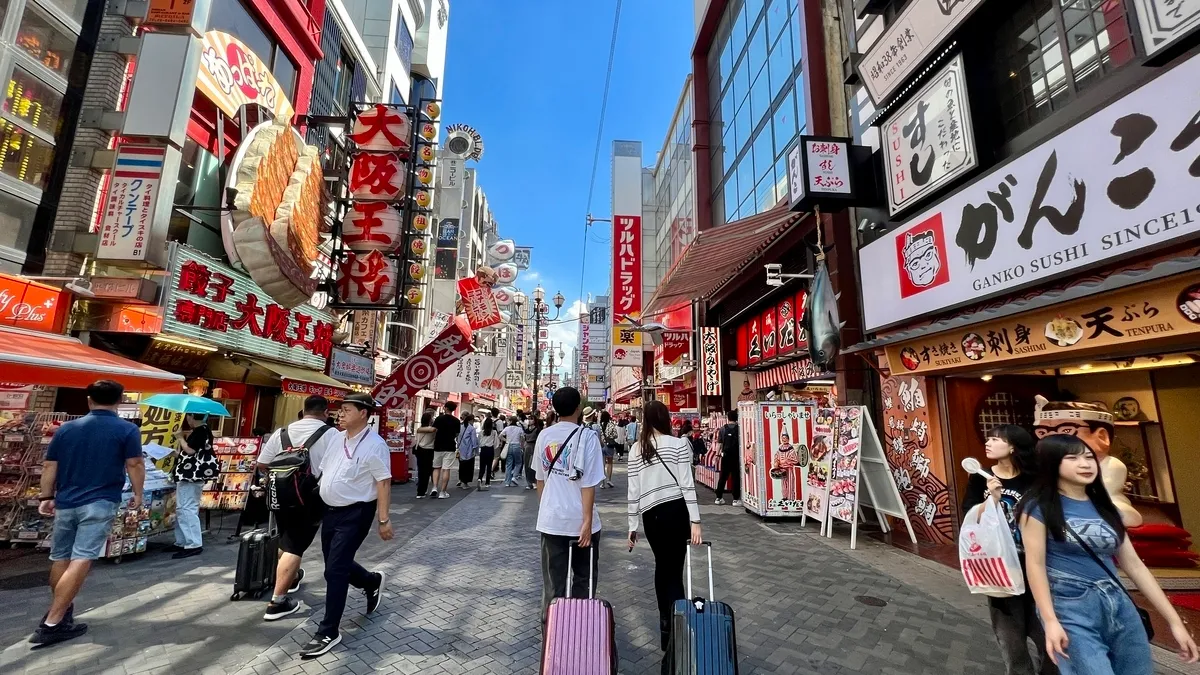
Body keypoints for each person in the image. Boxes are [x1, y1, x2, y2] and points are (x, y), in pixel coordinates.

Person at [1019, 434, 1198, 674]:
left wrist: (1174, 621)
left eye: (1089, 457)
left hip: (1119, 603)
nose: (1085, 464)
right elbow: (1036, 565)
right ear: (1051, 463)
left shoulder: (1106, 507)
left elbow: (1134, 566)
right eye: (1072, 458)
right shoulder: (1038, 508)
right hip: (1069, 605)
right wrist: (1050, 621)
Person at [31, 380, 145, 646]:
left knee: (61, 557)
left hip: (66, 500)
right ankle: (52, 622)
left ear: (89, 399)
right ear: (119, 401)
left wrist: (46, 496)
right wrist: (138, 494)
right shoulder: (127, 429)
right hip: (100, 500)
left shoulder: (66, 429)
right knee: (82, 557)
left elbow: (50, 465)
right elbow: (135, 463)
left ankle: (62, 612)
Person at [300, 394, 392, 658]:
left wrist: (383, 520)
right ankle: (371, 581)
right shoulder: (335, 438)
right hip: (329, 511)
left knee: (335, 571)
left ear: (363, 413)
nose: (340, 414)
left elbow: (383, 482)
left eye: (347, 410)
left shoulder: (375, 445)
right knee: (334, 563)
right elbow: (324, 471)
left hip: (356, 512)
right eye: (340, 410)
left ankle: (328, 631)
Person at [960, 425, 1054, 675]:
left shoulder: (1034, 477)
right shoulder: (980, 476)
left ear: (1013, 446)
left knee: (1046, 631)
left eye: (995, 439)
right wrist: (991, 499)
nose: (988, 443)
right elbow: (968, 514)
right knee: (1010, 637)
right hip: (1000, 566)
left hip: (1037, 562)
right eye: (988, 438)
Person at [627, 400, 702, 664]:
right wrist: (696, 521)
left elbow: (633, 489)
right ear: (666, 419)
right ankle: (679, 624)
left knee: (662, 566)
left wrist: (632, 525)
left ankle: (665, 624)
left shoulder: (638, 448)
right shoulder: (679, 444)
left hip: (652, 516)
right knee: (675, 569)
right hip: (677, 512)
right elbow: (687, 484)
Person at [257, 395, 337, 621]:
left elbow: (263, 463)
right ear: (325, 412)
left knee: (286, 538)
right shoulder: (331, 434)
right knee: (295, 546)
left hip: (280, 495)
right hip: (311, 498)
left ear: (304, 410)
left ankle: (290, 579)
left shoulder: (281, 433)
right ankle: (277, 602)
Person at [535, 387, 606, 616]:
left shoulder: (544, 435)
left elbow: (540, 481)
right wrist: (586, 521)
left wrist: (546, 510)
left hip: (552, 521)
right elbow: (588, 484)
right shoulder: (589, 437)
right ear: (578, 408)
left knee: (553, 585)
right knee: (583, 580)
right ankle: (579, 630)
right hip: (581, 521)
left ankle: (552, 635)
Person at [1033, 397, 1141, 527]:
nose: (1053, 439)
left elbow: (1101, 496)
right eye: (1043, 432)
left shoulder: (1110, 465)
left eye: (1066, 431)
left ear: (1101, 436)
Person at [170, 413, 217, 559]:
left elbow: (190, 450)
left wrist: (179, 438)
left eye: (188, 417)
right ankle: (183, 541)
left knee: (186, 508)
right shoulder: (204, 431)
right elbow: (192, 453)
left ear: (191, 417)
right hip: (192, 475)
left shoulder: (200, 431)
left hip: (191, 476)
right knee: (183, 508)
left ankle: (193, 543)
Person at [430, 402, 461, 499]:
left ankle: (434, 487)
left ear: (445, 408)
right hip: (450, 446)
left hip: (438, 445)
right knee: (446, 469)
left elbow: (433, 430)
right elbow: (456, 434)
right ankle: (442, 492)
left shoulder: (439, 419)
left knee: (436, 468)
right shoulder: (456, 421)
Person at [714, 410, 742, 506]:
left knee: (723, 476)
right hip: (736, 456)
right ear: (737, 418)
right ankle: (735, 499)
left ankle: (718, 497)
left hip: (725, 455)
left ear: (728, 418)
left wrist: (717, 455)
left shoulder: (723, 429)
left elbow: (719, 444)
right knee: (735, 477)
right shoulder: (739, 429)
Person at [413, 411, 436, 498]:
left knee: (421, 471)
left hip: (419, 450)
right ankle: (430, 489)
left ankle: (421, 491)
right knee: (428, 471)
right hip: (429, 451)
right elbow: (434, 430)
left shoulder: (419, 429)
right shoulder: (432, 430)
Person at [502, 415, 526, 487]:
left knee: (509, 464)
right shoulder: (519, 429)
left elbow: (500, 435)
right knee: (518, 463)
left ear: (511, 421)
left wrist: (506, 440)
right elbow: (523, 438)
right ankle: (514, 476)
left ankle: (507, 482)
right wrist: (522, 446)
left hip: (509, 446)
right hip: (517, 446)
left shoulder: (507, 428)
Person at [456, 413, 479, 489]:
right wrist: (476, 450)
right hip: (469, 450)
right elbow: (474, 441)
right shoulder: (471, 428)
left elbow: (457, 438)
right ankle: (465, 483)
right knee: (468, 467)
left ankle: (461, 481)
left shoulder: (460, 426)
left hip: (461, 449)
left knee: (462, 466)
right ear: (471, 420)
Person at [478, 416, 499, 489]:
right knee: (489, 466)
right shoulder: (494, 432)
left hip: (483, 450)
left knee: (482, 466)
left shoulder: (481, 432)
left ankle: (479, 478)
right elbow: (496, 443)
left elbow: (479, 442)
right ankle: (487, 482)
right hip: (490, 450)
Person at [599, 410, 619, 489]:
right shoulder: (611, 425)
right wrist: (610, 437)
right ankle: (609, 479)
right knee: (609, 463)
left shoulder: (599, 425)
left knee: (602, 464)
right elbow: (616, 435)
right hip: (609, 446)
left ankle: (602, 482)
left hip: (601, 445)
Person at [524, 416, 542, 490]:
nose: (529, 420)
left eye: (531, 419)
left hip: (534, 447)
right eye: (529, 419)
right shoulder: (526, 429)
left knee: (532, 465)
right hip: (527, 447)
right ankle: (529, 482)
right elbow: (524, 439)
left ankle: (534, 481)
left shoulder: (537, 429)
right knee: (526, 465)